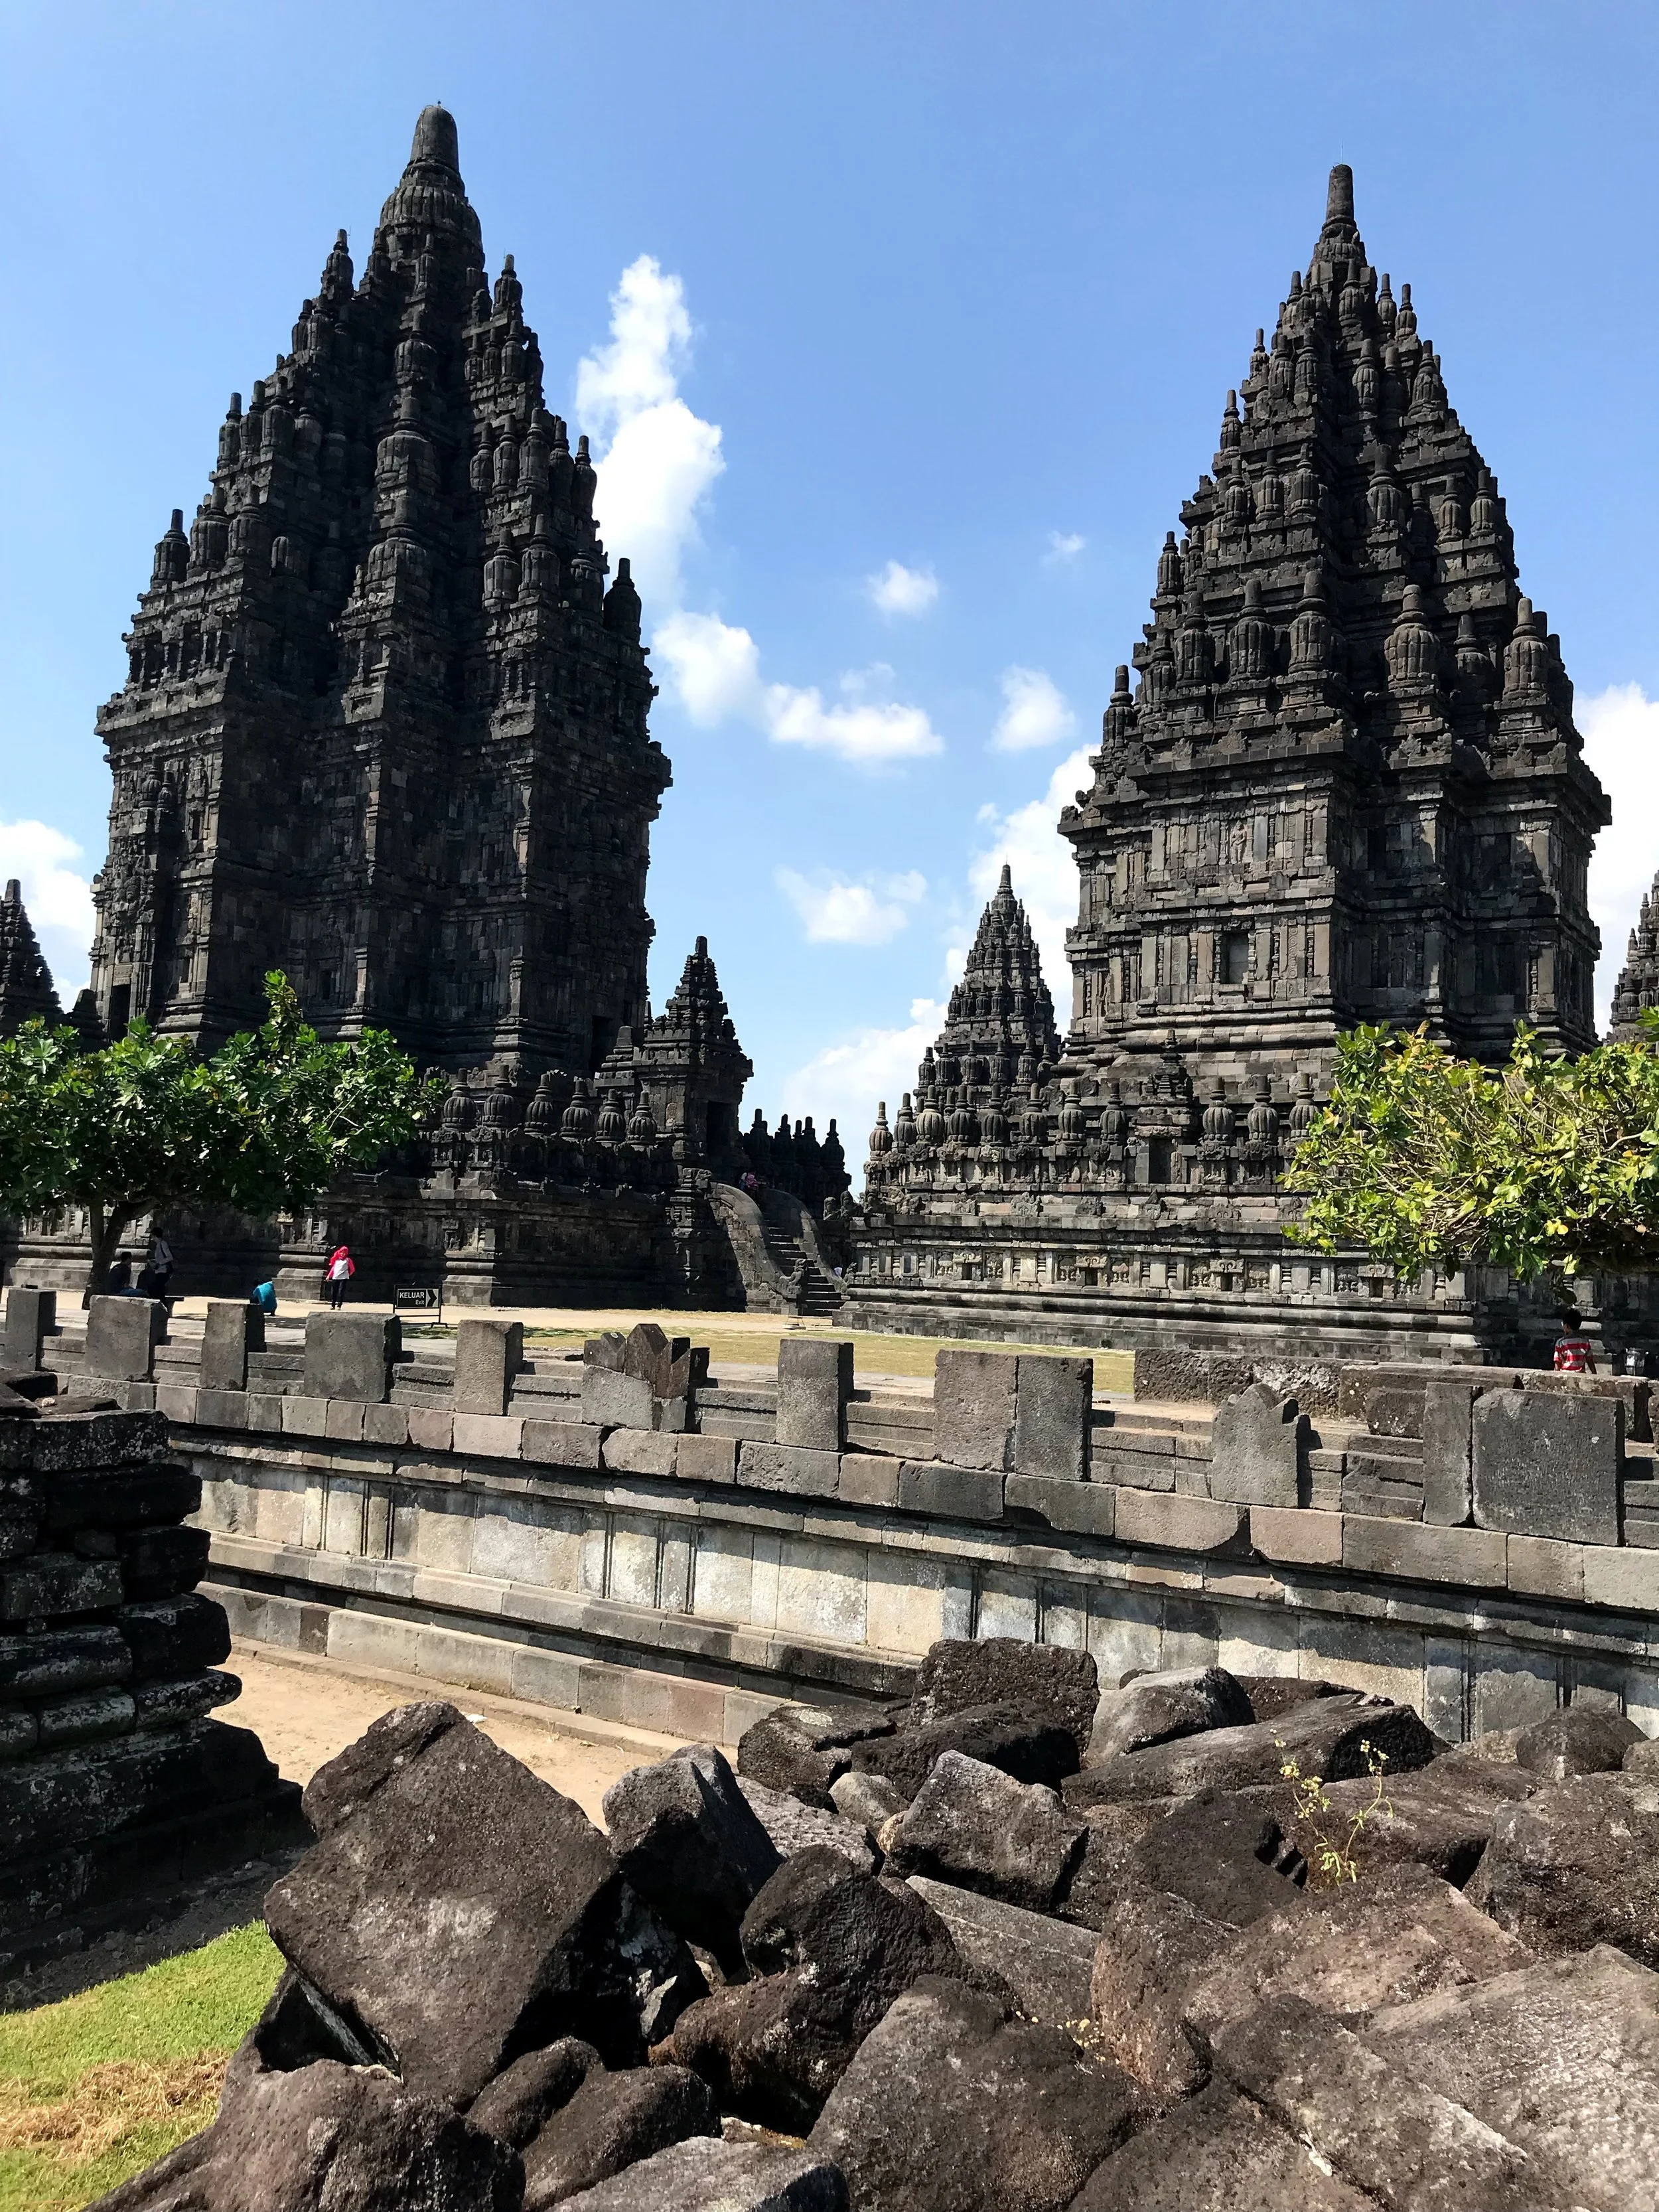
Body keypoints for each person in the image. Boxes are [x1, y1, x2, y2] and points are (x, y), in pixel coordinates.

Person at [1552, 1307, 1597, 1374]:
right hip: (1581, 1375)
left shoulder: (1560, 1343)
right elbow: (1590, 1361)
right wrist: (1594, 1374)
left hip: (1565, 1375)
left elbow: (1557, 1364)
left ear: (1567, 1326)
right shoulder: (1585, 1342)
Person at [325, 1244, 355, 1309]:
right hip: (336, 1277)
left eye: (344, 1253)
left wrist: (348, 1274)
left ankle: (339, 1305)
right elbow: (333, 1269)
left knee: (341, 1291)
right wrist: (329, 1276)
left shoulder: (348, 1260)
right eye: (341, 1252)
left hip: (344, 1277)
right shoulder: (337, 1260)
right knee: (334, 1292)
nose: (342, 1254)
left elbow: (352, 1269)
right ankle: (333, 1305)